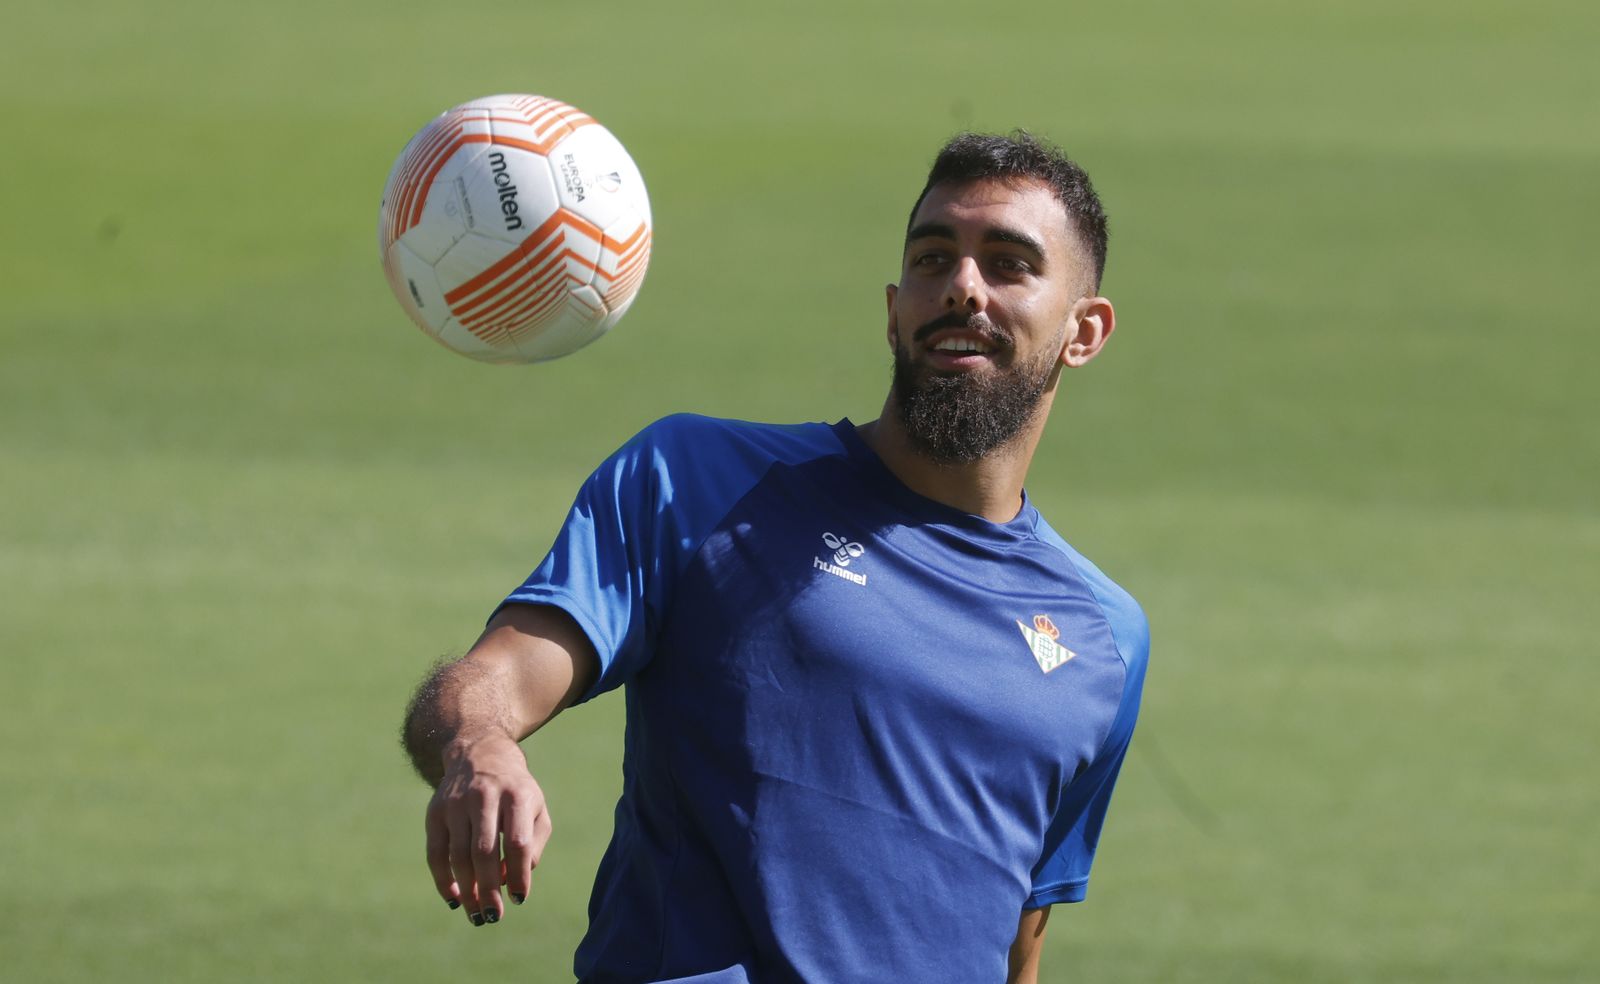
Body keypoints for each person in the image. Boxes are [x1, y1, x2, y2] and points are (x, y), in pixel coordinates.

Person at [402, 131, 1149, 984]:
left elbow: (1020, 937)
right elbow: (490, 679)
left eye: (1009, 265)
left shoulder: (1105, 640)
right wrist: (478, 744)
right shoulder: (697, 479)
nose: (962, 287)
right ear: (894, 308)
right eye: (933, 258)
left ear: (1084, 331)